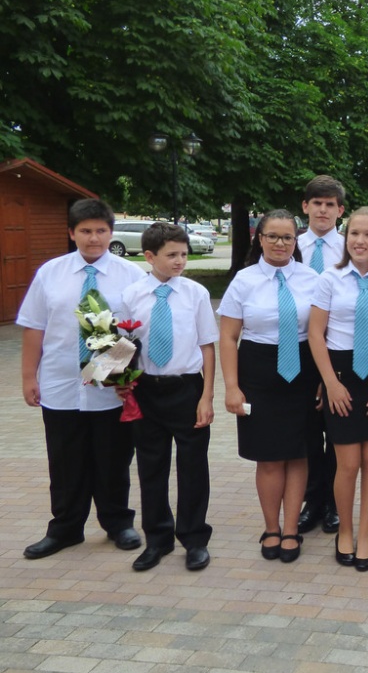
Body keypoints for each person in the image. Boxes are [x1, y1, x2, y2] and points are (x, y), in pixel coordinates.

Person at [18, 198, 145, 560]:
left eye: (101, 231)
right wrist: (28, 376)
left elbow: (139, 330)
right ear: (71, 233)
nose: (94, 238)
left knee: (113, 458)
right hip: (60, 382)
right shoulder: (50, 273)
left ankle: (117, 523)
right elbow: (34, 327)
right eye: (85, 231)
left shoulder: (131, 275)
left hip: (111, 389)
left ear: (111, 232)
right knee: (64, 461)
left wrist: (114, 374)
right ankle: (65, 528)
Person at [218, 209, 320, 563]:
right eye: (272, 236)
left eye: (287, 237)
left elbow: (322, 332)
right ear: (259, 239)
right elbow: (228, 338)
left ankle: (291, 528)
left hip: (303, 372)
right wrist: (232, 387)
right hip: (258, 373)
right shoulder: (244, 280)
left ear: (296, 240)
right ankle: (271, 528)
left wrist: (325, 380)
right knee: (270, 457)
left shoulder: (311, 278)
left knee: (299, 453)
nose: (280, 243)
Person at [308, 207, 368, 572]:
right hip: (340, 376)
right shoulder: (329, 279)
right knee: (347, 463)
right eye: (354, 234)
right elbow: (316, 334)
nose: (360, 241)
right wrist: (330, 382)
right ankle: (344, 531)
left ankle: (365, 534)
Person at [120, 223, 218, 572]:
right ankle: (157, 539)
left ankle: (194, 538)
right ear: (149, 256)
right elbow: (123, 342)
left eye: (184, 254)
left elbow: (207, 346)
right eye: (172, 255)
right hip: (146, 389)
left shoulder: (195, 294)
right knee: (151, 466)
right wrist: (118, 379)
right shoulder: (132, 295)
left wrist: (207, 396)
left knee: (193, 466)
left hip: (186, 388)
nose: (180, 261)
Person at [297, 175, 347, 536]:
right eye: (317, 203)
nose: (323, 210)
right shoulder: (291, 245)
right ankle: (311, 500)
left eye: (330, 204)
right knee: (308, 432)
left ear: (340, 210)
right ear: (306, 206)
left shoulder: (350, 248)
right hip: (298, 347)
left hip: (339, 349)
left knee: (338, 431)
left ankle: (333, 502)